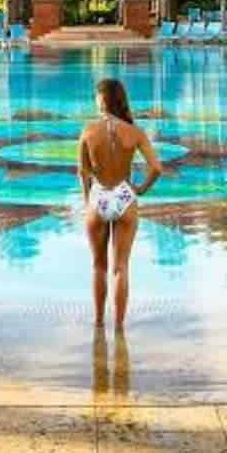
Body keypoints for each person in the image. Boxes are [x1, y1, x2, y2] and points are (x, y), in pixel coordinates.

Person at [78, 77, 162, 329]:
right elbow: (157, 168)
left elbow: (83, 172)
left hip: (99, 196)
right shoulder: (135, 132)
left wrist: (88, 201)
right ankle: (120, 327)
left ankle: (98, 322)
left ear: (103, 100)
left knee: (99, 266)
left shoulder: (89, 130)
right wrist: (140, 190)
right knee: (121, 267)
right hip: (125, 197)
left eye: (97, 96)